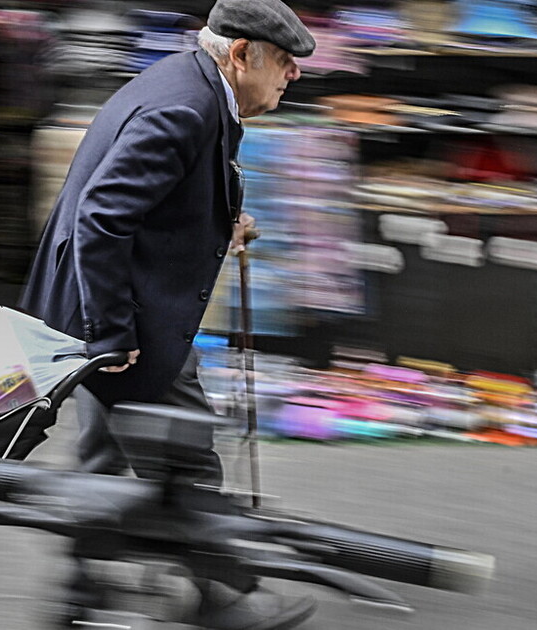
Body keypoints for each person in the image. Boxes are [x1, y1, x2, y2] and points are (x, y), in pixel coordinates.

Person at [18, 0, 315, 628]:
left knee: (105, 453)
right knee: (186, 457)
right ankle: (222, 597)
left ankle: (83, 591)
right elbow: (103, 216)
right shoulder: (187, 106)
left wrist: (221, 221)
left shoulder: (189, 83)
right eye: (285, 61)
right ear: (242, 54)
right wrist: (111, 333)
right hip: (122, 317)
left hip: (100, 305)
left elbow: (153, 196)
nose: (294, 74)